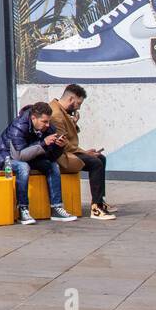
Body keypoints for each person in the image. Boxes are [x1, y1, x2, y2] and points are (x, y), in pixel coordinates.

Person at [0, 101, 76, 225]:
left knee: (52, 165)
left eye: (48, 121)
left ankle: (56, 208)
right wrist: (43, 144)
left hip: (29, 155)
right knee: (23, 167)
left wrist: (58, 147)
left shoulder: (49, 128)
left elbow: (50, 157)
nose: (47, 125)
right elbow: (19, 156)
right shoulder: (18, 126)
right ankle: (23, 209)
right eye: (44, 121)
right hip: (3, 156)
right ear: (33, 118)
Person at [48, 84, 115, 220]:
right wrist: (85, 153)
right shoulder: (56, 115)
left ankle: (99, 201)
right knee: (95, 163)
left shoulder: (61, 111)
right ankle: (96, 208)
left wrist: (74, 122)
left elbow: (67, 137)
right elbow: (64, 144)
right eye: (78, 103)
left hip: (68, 151)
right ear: (71, 99)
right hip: (60, 156)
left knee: (100, 158)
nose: (78, 107)